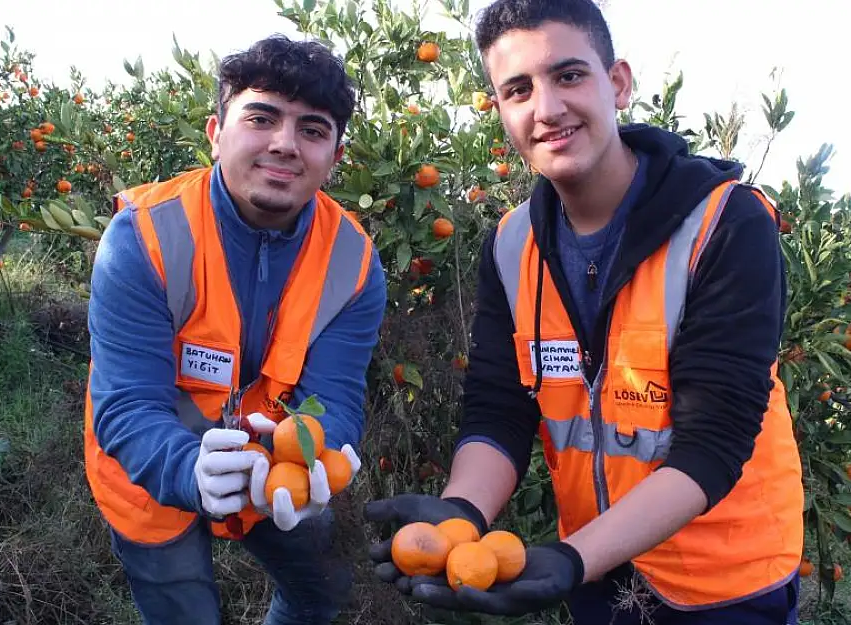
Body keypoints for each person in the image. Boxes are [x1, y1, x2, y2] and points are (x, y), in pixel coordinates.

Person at [365, 0, 804, 623]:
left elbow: (714, 440)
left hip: (723, 578)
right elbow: (500, 406)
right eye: (518, 89)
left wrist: (570, 559)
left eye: (568, 75)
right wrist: (462, 512)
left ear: (617, 83)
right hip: (600, 565)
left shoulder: (725, 223)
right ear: (501, 111)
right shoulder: (512, 245)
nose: (546, 109)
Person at [83, 34, 387, 625]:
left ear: (334, 156)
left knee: (321, 593)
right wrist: (187, 471)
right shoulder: (143, 239)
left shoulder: (352, 262)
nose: (284, 144)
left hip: (274, 470)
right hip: (149, 472)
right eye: (262, 117)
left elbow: (337, 396)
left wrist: (316, 453)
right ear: (216, 132)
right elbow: (126, 404)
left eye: (313, 130)